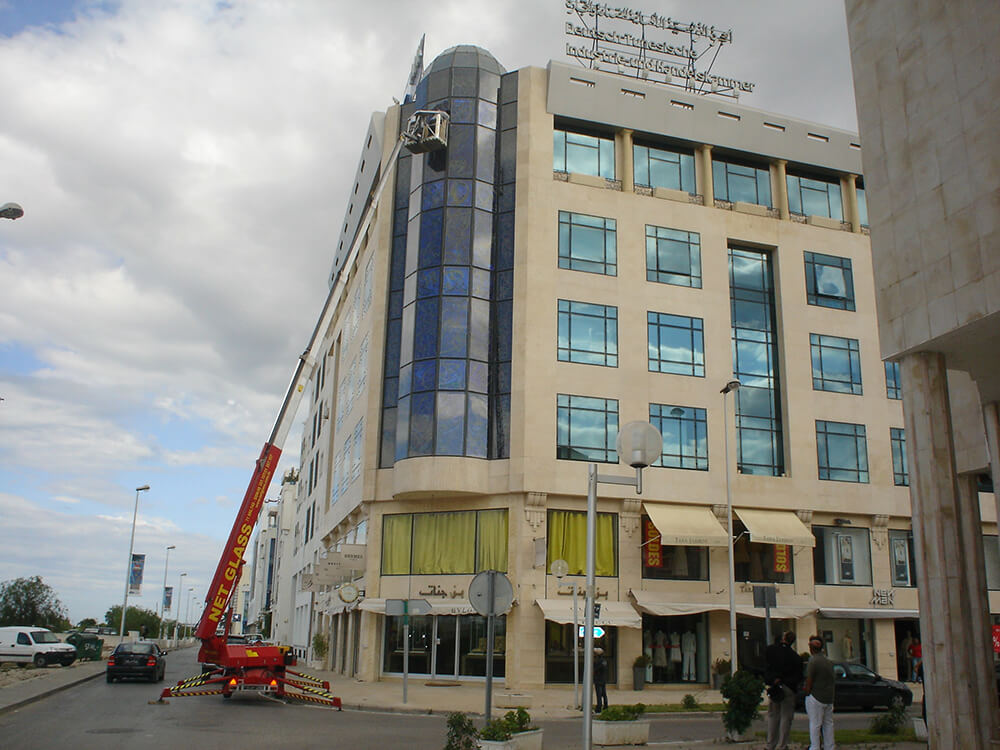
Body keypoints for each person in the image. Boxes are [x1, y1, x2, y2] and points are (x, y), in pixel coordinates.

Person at [764, 630, 803, 750]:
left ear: (783, 638)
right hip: (788, 687)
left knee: (773, 716)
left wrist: (773, 679)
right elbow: (798, 676)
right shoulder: (795, 657)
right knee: (786, 717)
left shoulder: (772, 650)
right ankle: (782, 745)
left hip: (775, 687)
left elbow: (766, 666)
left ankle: (770, 744)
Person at [804, 635, 835, 750]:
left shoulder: (813, 661)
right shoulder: (828, 661)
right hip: (828, 697)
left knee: (815, 724)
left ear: (811, 648)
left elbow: (809, 679)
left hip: (816, 696)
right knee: (828, 723)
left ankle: (815, 746)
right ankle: (829, 746)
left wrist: (807, 691)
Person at [593, 647, 609, 713]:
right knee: (604, 694)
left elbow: (595, 670)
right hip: (603, 679)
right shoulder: (604, 661)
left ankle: (599, 708)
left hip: (598, 679)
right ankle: (605, 706)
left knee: (599, 694)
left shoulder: (598, 661)